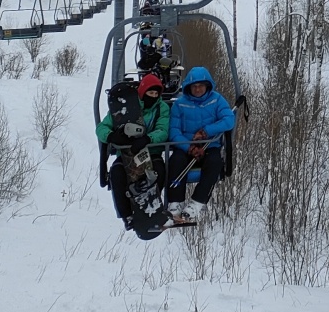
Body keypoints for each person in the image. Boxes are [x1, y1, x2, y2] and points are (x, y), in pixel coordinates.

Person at [97, 73, 171, 228]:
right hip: (127, 155)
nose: (153, 96)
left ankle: (151, 206)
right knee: (117, 174)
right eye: (150, 93)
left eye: (156, 93)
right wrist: (112, 137)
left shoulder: (161, 108)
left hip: (151, 153)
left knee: (158, 171)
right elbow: (101, 128)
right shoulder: (126, 107)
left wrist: (148, 139)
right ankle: (127, 215)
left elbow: (163, 130)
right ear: (143, 92)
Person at [165, 65, 235, 225]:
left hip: (209, 146)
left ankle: (196, 204)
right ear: (188, 87)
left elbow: (228, 120)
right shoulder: (180, 105)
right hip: (186, 147)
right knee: (176, 161)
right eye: (194, 86)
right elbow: (174, 131)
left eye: (201, 86)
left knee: (215, 163)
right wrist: (189, 147)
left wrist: (206, 132)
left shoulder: (216, 100)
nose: (197, 90)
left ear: (207, 85)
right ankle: (175, 203)